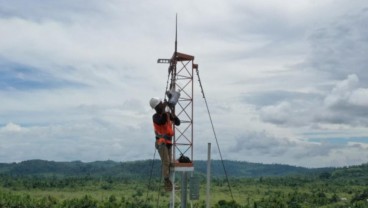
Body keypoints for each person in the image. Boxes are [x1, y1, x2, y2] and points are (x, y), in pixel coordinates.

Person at [150, 97, 180, 191]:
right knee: (166, 162)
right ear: (157, 107)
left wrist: (171, 111)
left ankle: (170, 183)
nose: (162, 104)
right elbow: (161, 121)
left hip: (168, 143)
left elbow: (178, 122)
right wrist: (164, 108)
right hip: (161, 143)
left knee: (170, 163)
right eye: (160, 104)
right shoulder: (155, 117)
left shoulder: (166, 114)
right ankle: (167, 183)